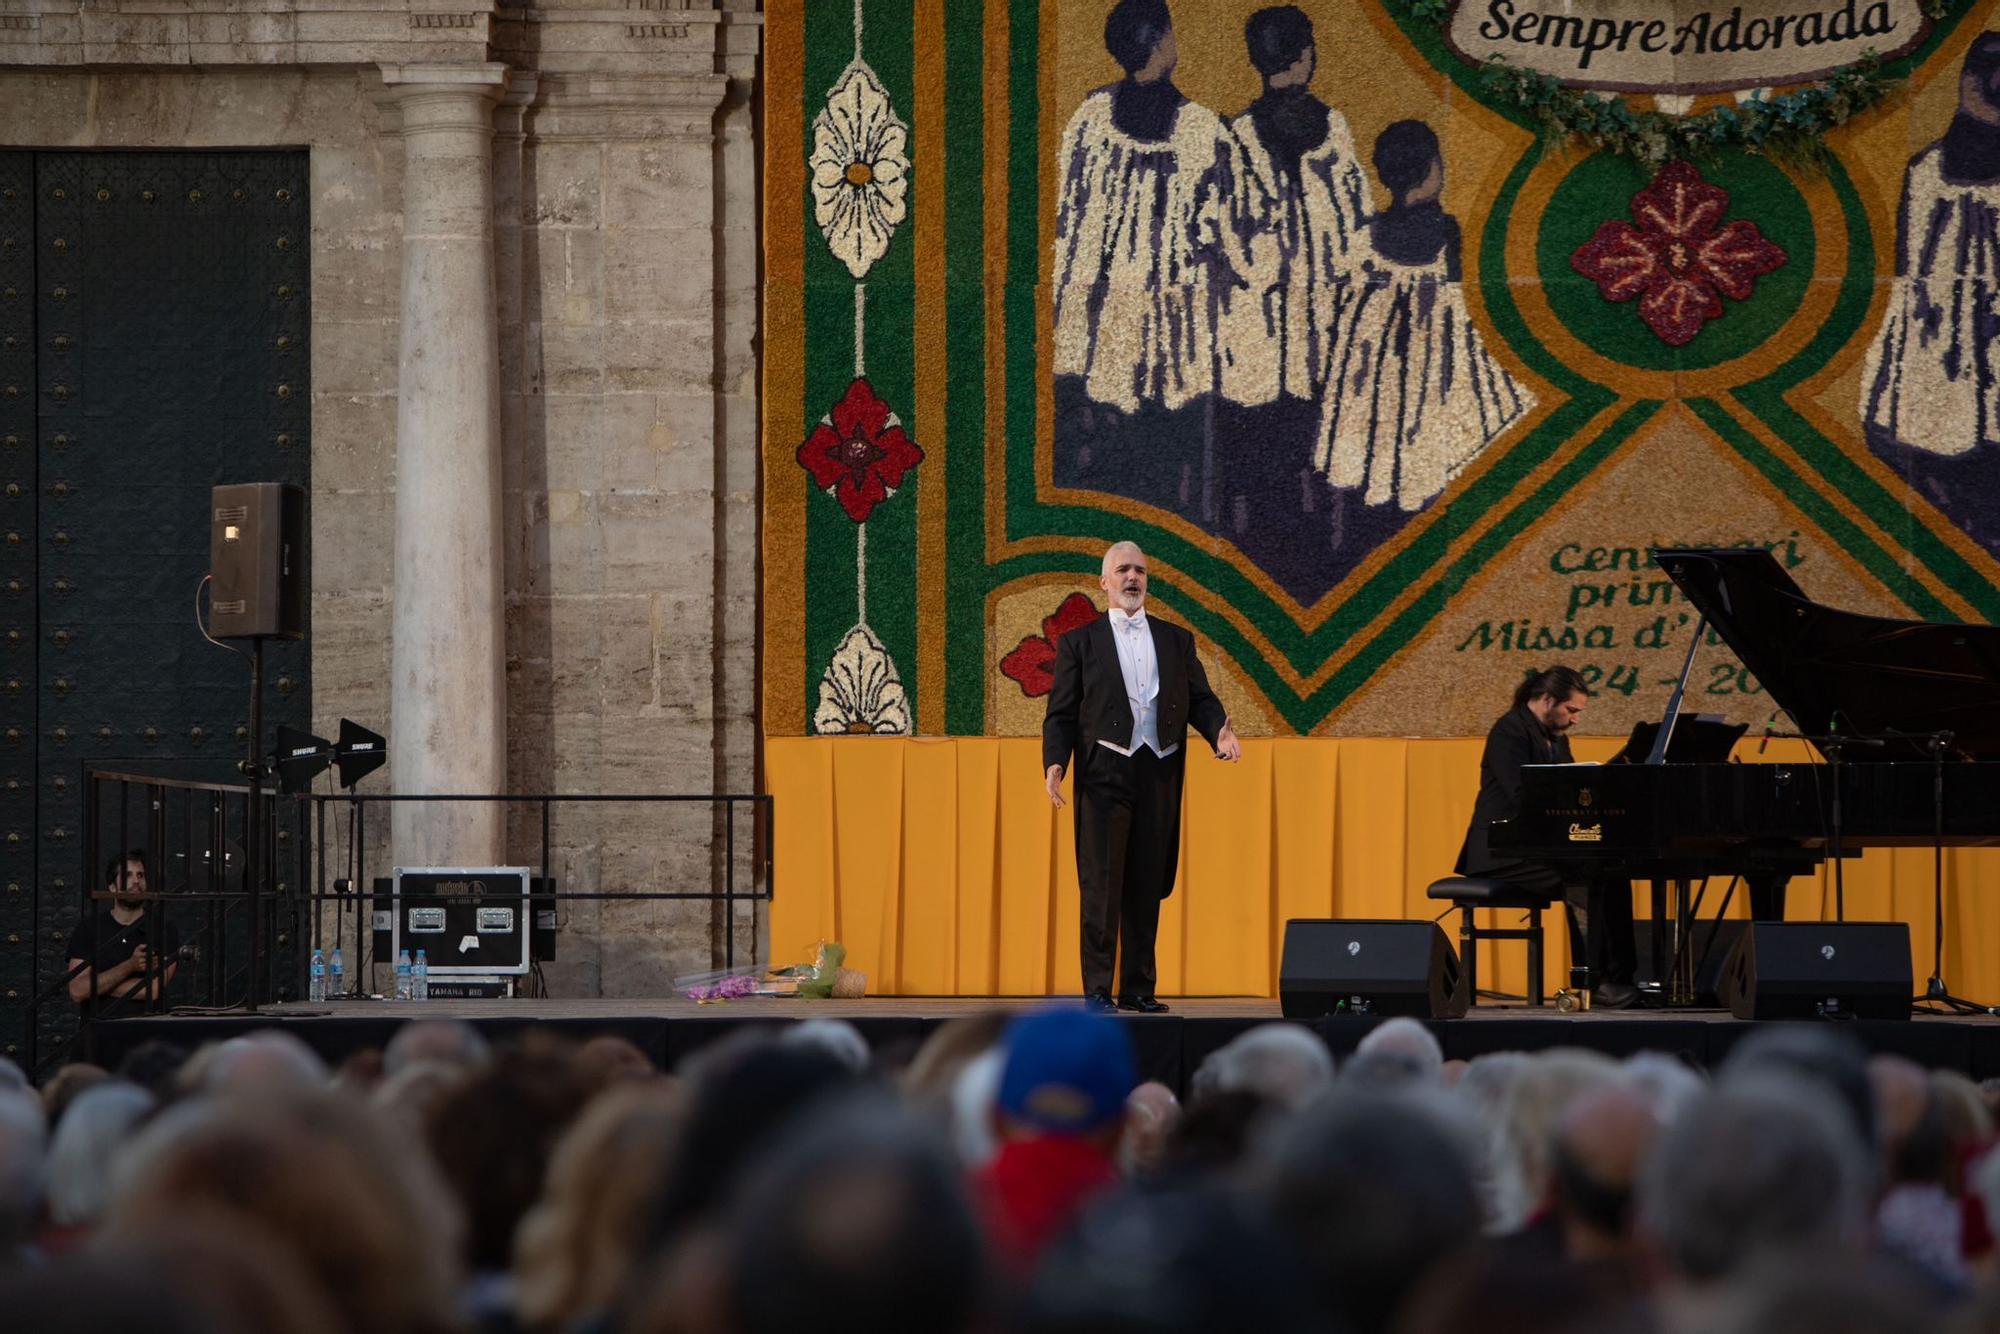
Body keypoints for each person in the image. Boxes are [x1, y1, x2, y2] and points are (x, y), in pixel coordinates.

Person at [1051, 0, 1232, 516]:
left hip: (1105, 309)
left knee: (1112, 430)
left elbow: (1069, 209)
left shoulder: (1089, 117)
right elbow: (1214, 228)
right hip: (1169, 318)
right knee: (1162, 438)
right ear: (1160, 42)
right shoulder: (1202, 130)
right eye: (1171, 32)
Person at [1042, 541, 1241, 1011]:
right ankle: (1096, 990)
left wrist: (1219, 733)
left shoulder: (1176, 639)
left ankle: (1138, 988)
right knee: (1101, 885)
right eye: (1123, 570)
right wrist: (1055, 764)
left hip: (1159, 770)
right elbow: (1061, 714)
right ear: (1104, 582)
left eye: (1141, 571)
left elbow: (1201, 700)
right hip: (1105, 772)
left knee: (1146, 885)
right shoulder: (1080, 642)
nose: (1133, 578)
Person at [1316, 118, 1533, 513]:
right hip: (1436, 351)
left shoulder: (1367, 234)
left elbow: (1348, 302)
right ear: (1432, 169)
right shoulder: (1448, 231)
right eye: (1439, 163)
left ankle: (1384, 479)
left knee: (1385, 414)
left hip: (1378, 358)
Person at [1454, 667, 1637, 1008]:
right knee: (1585, 874)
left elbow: (1567, 789)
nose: (1575, 720)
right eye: (1572, 710)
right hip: (1499, 852)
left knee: (1612, 871)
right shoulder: (1508, 732)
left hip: (1534, 848)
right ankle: (1591, 981)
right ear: (1546, 700)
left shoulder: (1556, 737)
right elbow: (1521, 794)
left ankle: (1621, 977)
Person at [65, 850, 178, 1017]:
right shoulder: (90, 928)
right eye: (128, 875)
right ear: (112, 887)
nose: (136, 881)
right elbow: (77, 990)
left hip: (148, 1033)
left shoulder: (163, 928)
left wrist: (97, 986)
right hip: (99, 1033)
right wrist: (129, 966)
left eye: (140, 875)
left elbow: (152, 990)